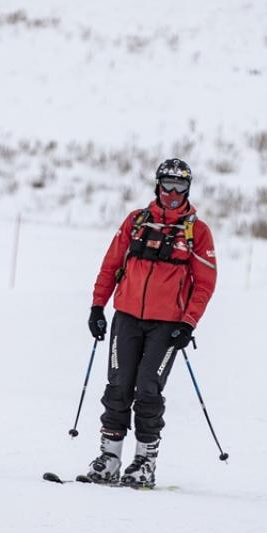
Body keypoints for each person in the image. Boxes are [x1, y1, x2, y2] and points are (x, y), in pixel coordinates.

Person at [84, 158, 218, 488]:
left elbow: (205, 283)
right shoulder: (136, 222)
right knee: (118, 386)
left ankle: (144, 462)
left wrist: (188, 323)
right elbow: (110, 265)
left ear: (189, 188)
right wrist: (98, 307)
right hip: (126, 318)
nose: (173, 192)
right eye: (167, 184)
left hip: (167, 326)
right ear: (157, 184)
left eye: (180, 186)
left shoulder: (197, 232)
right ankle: (109, 458)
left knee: (147, 389)